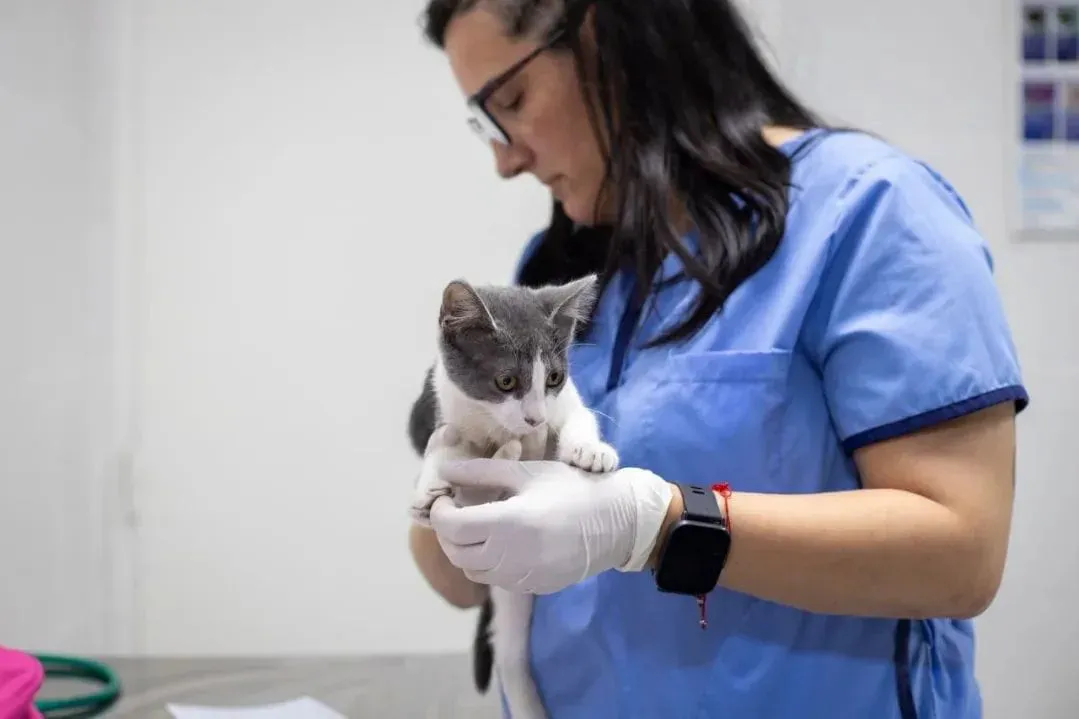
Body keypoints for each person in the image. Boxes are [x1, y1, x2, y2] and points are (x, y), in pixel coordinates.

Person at [406, 0, 1028, 717]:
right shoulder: (563, 276)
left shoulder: (868, 212)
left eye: (510, 102)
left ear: (608, 35)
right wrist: (449, 484)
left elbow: (959, 557)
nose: (505, 158)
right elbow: (458, 582)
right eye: (485, 124)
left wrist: (658, 524)